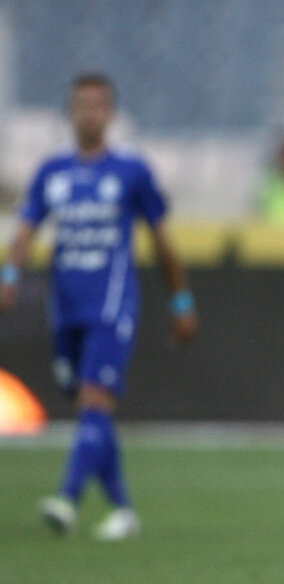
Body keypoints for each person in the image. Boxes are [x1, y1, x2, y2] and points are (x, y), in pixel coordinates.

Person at [0, 73, 197, 540]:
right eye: (82, 105)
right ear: (71, 113)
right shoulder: (52, 172)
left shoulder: (131, 171)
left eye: (98, 106)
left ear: (110, 114)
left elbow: (162, 240)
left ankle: (66, 499)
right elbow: (26, 230)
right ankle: (123, 509)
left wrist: (181, 299)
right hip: (66, 306)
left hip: (111, 305)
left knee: (93, 397)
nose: (89, 114)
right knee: (90, 407)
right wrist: (9, 277)